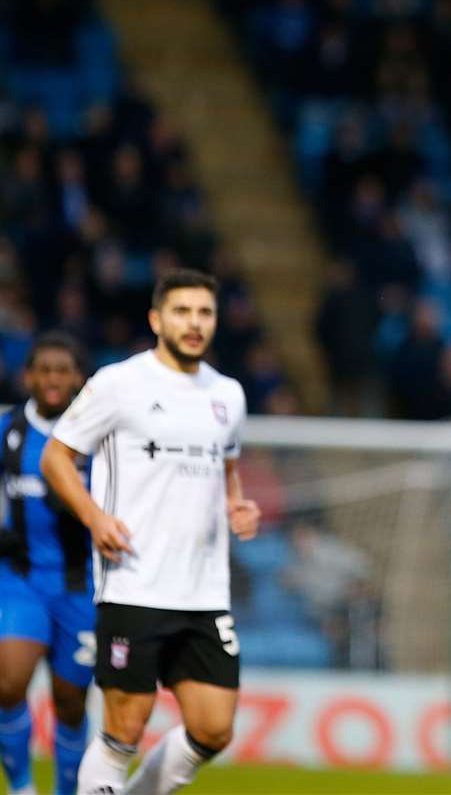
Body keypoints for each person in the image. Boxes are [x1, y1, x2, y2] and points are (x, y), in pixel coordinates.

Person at [40, 269, 261, 795]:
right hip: (134, 583)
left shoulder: (228, 394)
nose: (195, 323)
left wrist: (237, 507)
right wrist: (95, 517)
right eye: (182, 312)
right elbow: (57, 457)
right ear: (157, 319)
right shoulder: (121, 383)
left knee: (213, 728)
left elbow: (227, 465)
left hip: (205, 592)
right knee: (125, 730)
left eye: (204, 312)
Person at [0, 333, 93, 795]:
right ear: (29, 376)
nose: (54, 378)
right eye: (45, 370)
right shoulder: (8, 431)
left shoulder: (99, 435)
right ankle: (21, 787)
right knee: (8, 683)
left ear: (77, 377)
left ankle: (66, 791)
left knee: (70, 700)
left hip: (81, 584)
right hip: (20, 578)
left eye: (63, 370)